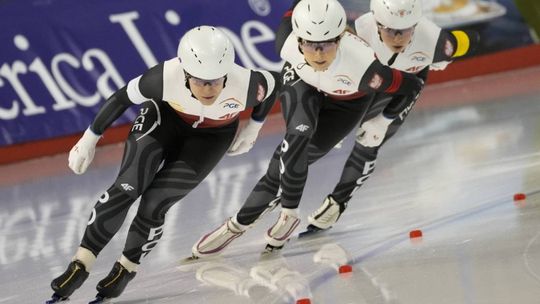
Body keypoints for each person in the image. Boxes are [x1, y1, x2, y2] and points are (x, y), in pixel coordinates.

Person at [46, 25, 279, 303]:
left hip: (211, 138)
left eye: (216, 81)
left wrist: (253, 127)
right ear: (185, 73)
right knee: (127, 187)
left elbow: (274, 85)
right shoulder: (164, 77)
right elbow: (121, 98)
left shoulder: (248, 84)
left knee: (155, 203)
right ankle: (80, 264)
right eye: (200, 81)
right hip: (163, 121)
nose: (209, 89)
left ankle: (126, 268)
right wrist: (89, 138)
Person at [190, 0, 424, 258]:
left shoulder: (366, 69)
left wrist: (384, 120)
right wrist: (254, 126)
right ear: (298, 39)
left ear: (341, 38)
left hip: (348, 103)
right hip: (303, 83)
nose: (319, 55)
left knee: (282, 165)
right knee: (296, 138)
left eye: (327, 45)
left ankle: (240, 222)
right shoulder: (286, 42)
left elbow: (412, 85)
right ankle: (282, 217)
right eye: (310, 45)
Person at [305, 0, 479, 233]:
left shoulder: (437, 41)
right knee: (328, 132)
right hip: (371, 83)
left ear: (417, 25)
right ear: (376, 23)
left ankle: (338, 202)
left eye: (404, 30)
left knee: (370, 141)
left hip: (404, 90)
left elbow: (470, 39)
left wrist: (384, 120)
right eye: (389, 30)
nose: (397, 38)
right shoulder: (361, 29)